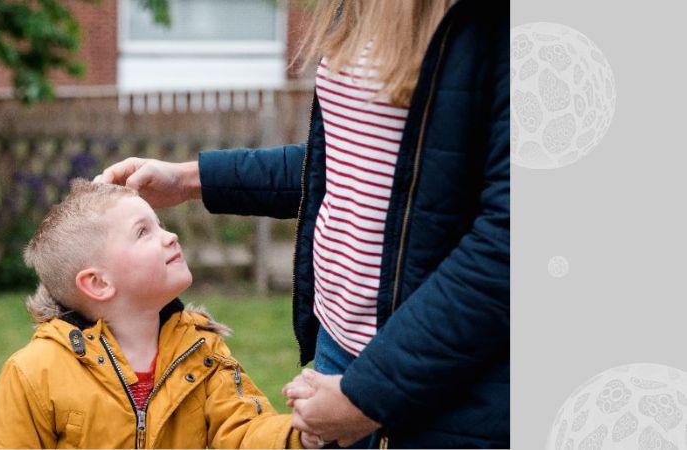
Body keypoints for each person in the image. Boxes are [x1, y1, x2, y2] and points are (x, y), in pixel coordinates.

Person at [95, 0, 509, 447]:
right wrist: (187, 179)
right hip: (339, 353)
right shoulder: (355, 8)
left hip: (438, 377)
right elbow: (347, 165)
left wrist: (371, 394)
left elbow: (507, 245)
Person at [0, 180, 319, 449]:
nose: (170, 236)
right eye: (143, 232)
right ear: (98, 283)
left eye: (159, 224)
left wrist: (301, 434)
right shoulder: (34, 372)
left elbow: (246, 432)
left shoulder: (202, 354)